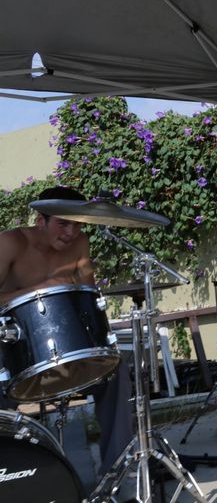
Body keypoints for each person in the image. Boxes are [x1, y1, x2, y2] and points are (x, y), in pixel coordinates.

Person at [0, 186, 133, 478]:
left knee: (116, 371)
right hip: (15, 352)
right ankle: (10, 474)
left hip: (66, 348)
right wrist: (41, 288)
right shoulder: (10, 243)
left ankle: (117, 472)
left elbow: (88, 297)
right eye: (62, 223)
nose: (71, 232)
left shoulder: (80, 244)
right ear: (41, 221)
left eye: (76, 224)